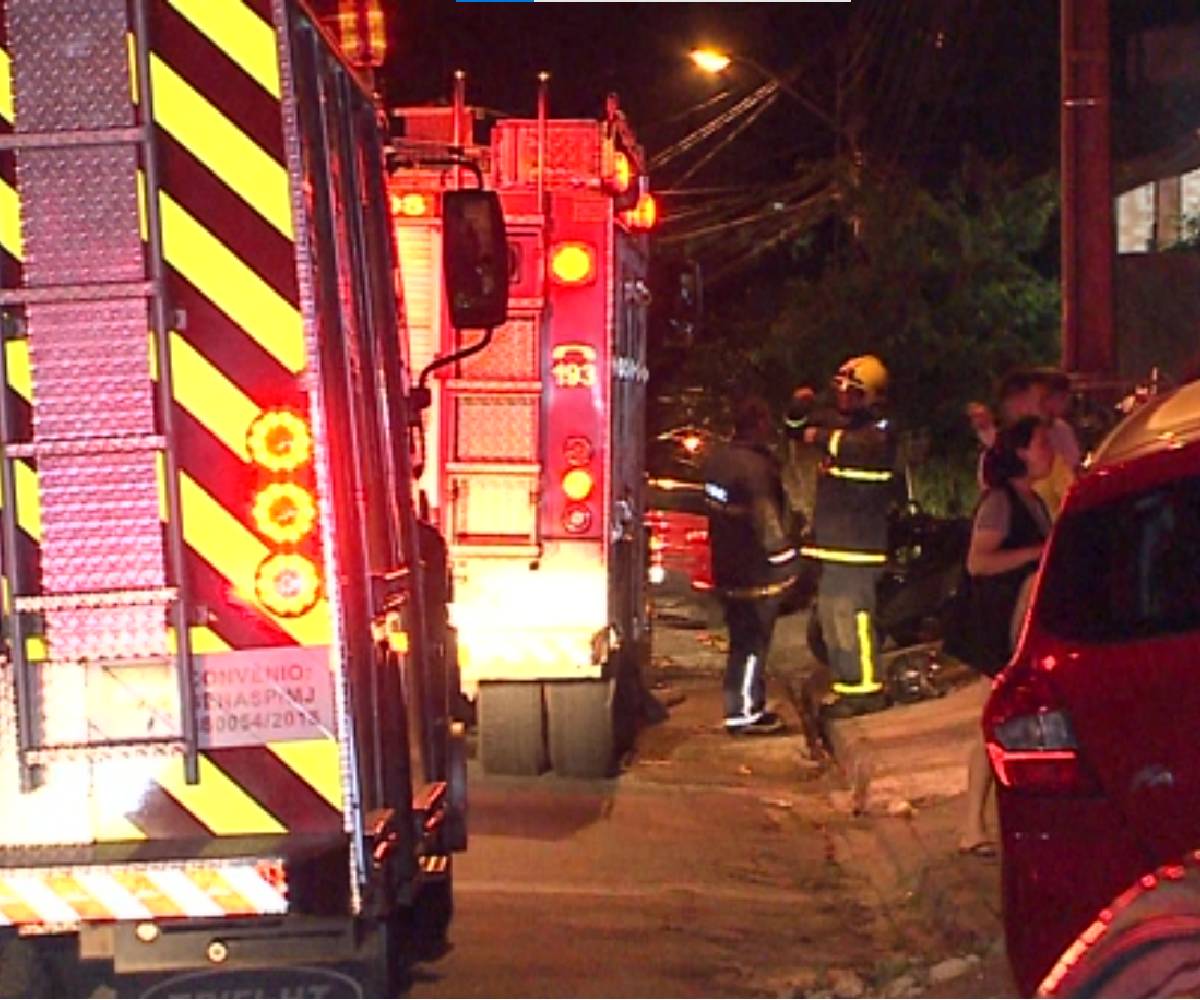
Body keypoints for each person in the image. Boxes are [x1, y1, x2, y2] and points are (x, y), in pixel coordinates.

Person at [957, 415, 1054, 857]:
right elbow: (979, 563)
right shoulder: (1000, 502)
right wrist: (1038, 552)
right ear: (1020, 452)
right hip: (997, 625)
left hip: (1019, 622)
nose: (1049, 451)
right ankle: (971, 826)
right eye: (1041, 444)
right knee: (990, 723)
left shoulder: (1031, 499)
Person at [788, 355, 901, 719]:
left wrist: (817, 435)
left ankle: (868, 693)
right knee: (832, 624)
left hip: (858, 548)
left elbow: (858, 447)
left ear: (870, 395)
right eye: (840, 390)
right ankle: (848, 689)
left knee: (854, 622)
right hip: (834, 546)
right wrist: (799, 407)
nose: (843, 398)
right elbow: (794, 427)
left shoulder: (880, 429)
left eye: (851, 392)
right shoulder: (844, 423)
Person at [703, 395, 800, 735]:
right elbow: (767, 521)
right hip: (755, 573)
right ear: (759, 425)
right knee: (752, 645)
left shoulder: (719, 463)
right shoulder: (756, 469)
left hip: (727, 566)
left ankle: (744, 705)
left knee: (740, 642)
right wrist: (788, 562)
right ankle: (744, 712)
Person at [965, 400, 996, 490]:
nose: (977, 420)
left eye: (979, 415)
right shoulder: (983, 454)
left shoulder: (1003, 443)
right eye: (974, 417)